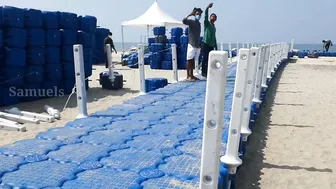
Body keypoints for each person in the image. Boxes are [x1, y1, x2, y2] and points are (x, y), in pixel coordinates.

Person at [182, 8, 203, 81]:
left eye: (200, 14)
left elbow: (198, 35)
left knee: (193, 60)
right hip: (191, 44)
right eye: (197, 14)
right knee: (189, 60)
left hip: (197, 44)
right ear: (194, 15)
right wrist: (190, 14)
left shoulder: (199, 24)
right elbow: (184, 21)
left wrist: (200, 44)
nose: (198, 15)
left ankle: (192, 74)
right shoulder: (191, 22)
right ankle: (188, 76)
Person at [202, 3, 217, 78]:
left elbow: (214, 37)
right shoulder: (207, 23)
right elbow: (205, 16)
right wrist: (207, 8)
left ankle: (208, 72)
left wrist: (216, 46)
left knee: (210, 59)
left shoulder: (214, 27)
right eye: (212, 16)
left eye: (215, 17)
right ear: (210, 17)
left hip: (211, 45)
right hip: (206, 43)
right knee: (205, 58)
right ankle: (203, 72)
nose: (213, 18)